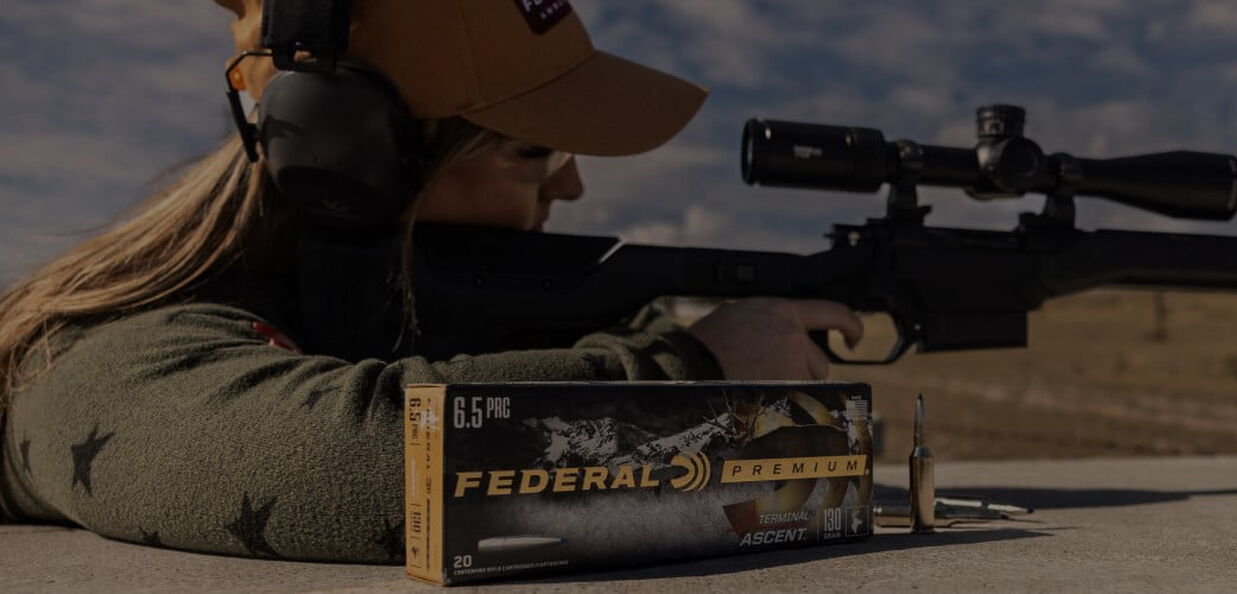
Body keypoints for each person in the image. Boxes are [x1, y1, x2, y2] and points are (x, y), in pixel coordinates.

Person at [0, 0, 861, 563]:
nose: (571, 187)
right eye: (535, 153)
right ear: (351, 157)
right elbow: (351, 457)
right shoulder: (97, 350)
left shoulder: (425, 303)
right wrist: (687, 369)